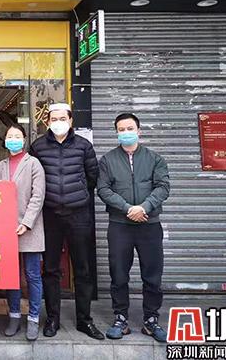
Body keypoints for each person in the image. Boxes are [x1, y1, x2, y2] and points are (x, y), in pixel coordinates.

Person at [29, 103, 104, 340]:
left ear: (71, 121)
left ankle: (84, 320)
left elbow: (92, 177)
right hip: (49, 214)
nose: (58, 122)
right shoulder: (38, 146)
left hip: (78, 214)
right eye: (54, 119)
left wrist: (76, 196)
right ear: (47, 122)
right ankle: (53, 319)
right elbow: (34, 179)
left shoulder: (84, 145)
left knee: (82, 268)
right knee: (51, 269)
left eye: (63, 118)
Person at [98, 113, 170, 343]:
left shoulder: (154, 158)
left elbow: (163, 187)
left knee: (152, 275)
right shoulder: (108, 160)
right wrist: (128, 208)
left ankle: (151, 320)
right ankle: (120, 318)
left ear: (139, 131)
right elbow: (103, 189)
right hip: (120, 226)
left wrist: (144, 207)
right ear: (116, 133)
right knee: (119, 274)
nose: (126, 132)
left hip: (149, 225)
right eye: (121, 129)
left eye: (130, 128)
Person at [0, 123, 45, 341]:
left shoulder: (33, 163)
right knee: (12, 276)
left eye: (17, 136)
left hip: (29, 229)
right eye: (10, 136)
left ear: (24, 140)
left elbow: (38, 196)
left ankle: (33, 318)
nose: (13, 140)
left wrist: (26, 223)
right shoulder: (1, 165)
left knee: (32, 275)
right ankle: (14, 316)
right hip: (7, 229)